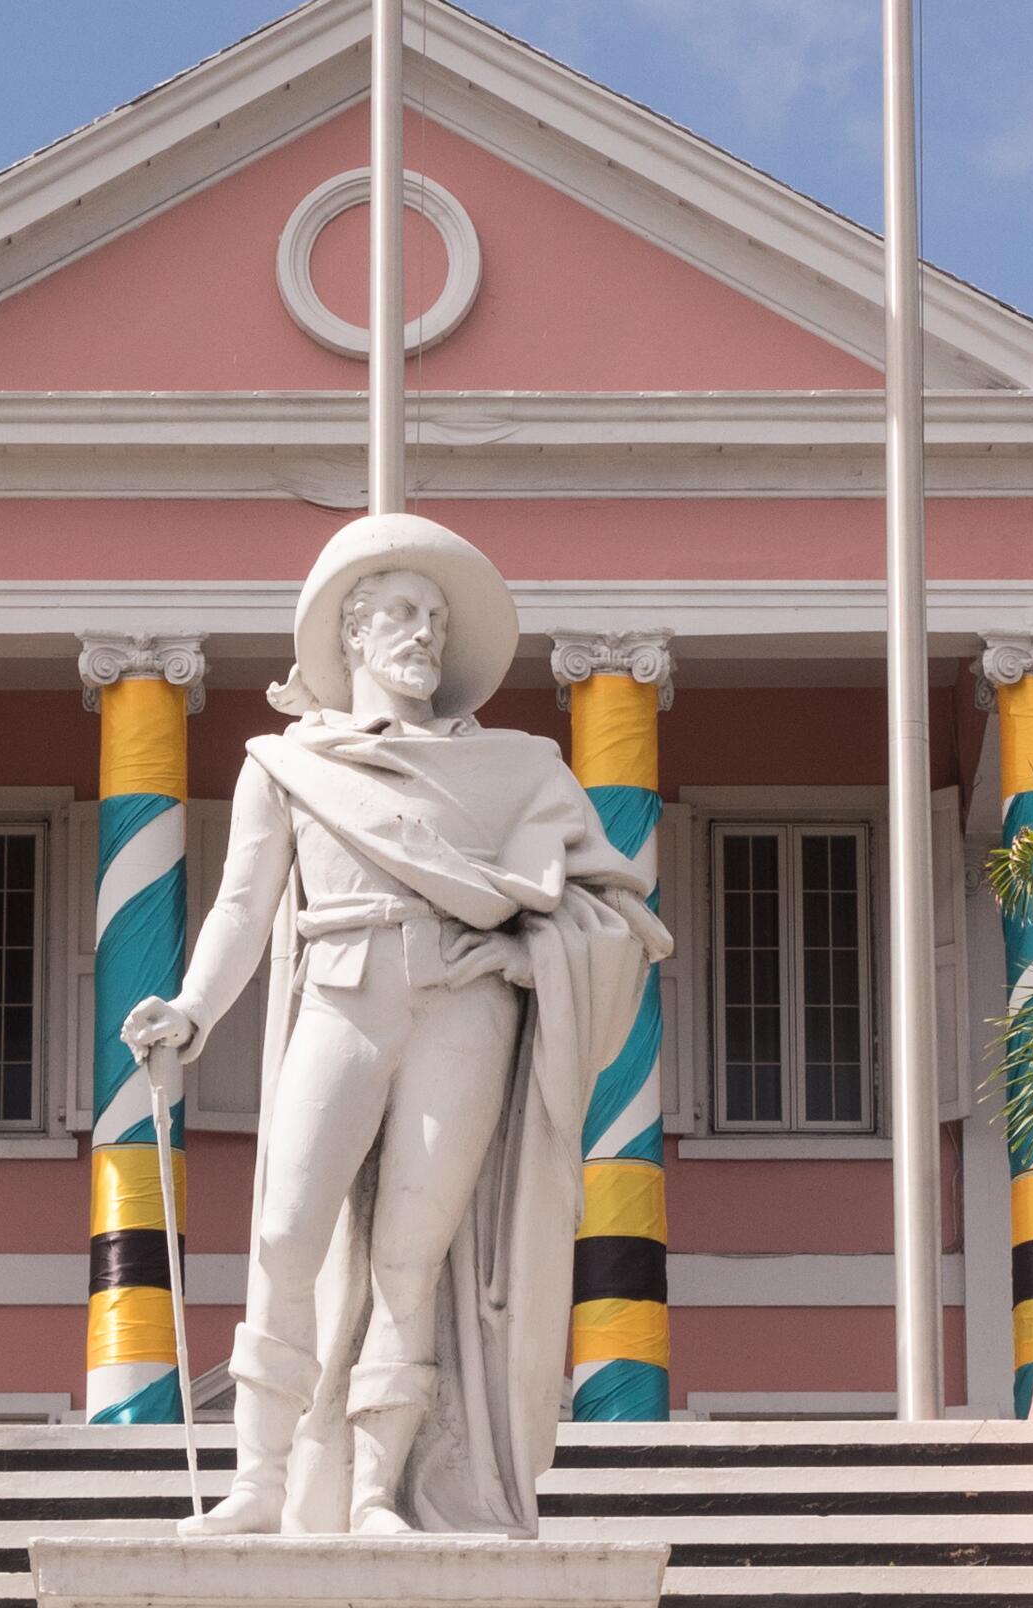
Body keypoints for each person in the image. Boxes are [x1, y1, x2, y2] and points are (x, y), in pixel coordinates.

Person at [120, 513, 669, 1535]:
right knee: (285, 1233)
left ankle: (376, 1489)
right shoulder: (287, 765)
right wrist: (193, 1006)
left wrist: (519, 955)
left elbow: (616, 916)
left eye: (436, 617)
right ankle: (260, 1483)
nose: (424, 634)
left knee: (411, 1256)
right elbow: (242, 903)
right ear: (353, 636)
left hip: (462, 1009)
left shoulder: (522, 770)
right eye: (402, 614)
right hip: (343, 987)